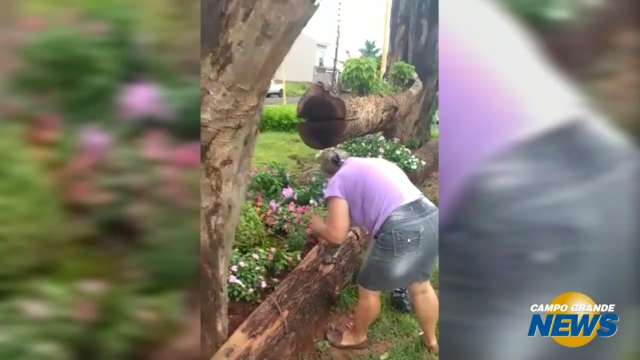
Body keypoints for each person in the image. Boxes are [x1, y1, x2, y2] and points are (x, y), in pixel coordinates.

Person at [309, 149, 439, 353]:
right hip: (430, 216)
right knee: (421, 286)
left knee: (368, 289)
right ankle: (431, 342)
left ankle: (356, 337)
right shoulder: (374, 163)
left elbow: (336, 235)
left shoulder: (338, 181)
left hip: (401, 227)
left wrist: (317, 225)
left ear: (329, 174)